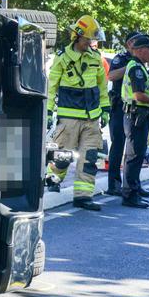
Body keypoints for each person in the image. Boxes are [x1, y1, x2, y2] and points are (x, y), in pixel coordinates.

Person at [46, 15, 109, 211]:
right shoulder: (62, 58)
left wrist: (105, 109)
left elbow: (102, 87)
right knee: (62, 157)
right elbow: (51, 86)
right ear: (78, 37)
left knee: (89, 159)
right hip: (69, 118)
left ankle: (83, 197)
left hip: (91, 120)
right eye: (88, 39)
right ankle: (52, 180)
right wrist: (48, 111)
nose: (91, 43)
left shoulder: (96, 58)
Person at [121, 35, 149, 209]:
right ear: (139, 50)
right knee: (134, 155)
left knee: (137, 154)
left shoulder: (140, 67)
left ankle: (134, 189)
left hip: (139, 115)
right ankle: (130, 194)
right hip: (136, 115)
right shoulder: (136, 68)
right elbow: (138, 95)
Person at [105, 31, 145, 196]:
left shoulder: (141, 61)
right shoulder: (120, 58)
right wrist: (129, 67)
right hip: (119, 107)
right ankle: (114, 184)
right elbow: (111, 76)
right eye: (136, 42)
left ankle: (133, 184)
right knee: (118, 145)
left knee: (134, 149)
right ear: (129, 43)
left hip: (136, 109)